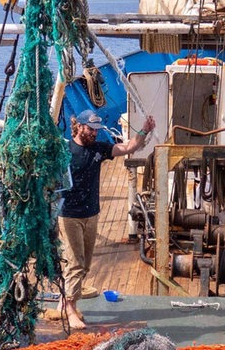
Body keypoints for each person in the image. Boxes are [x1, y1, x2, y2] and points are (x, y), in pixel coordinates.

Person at [59, 110, 156, 329]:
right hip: (68, 215)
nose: (94, 133)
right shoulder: (64, 151)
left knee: (85, 264)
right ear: (79, 126)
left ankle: (65, 299)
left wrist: (144, 129)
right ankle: (70, 308)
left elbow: (128, 147)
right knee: (75, 262)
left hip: (91, 213)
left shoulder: (98, 149)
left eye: (96, 130)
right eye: (91, 129)